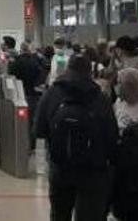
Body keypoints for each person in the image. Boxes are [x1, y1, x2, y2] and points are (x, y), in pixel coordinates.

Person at [35, 55, 118, 221]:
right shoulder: (99, 97)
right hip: (92, 168)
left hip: (60, 166)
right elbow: (111, 135)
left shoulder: (52, 93)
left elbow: (39, 130)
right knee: (89, 215)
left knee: (60, 213)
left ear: (68, 68)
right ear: (89, 71)